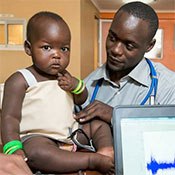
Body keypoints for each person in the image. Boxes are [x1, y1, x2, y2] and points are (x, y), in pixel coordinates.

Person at [1, 11, 114, 174]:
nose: (57, 55)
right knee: (36, 153)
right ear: (28, 48)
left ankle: (106, 150)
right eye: (47, 47)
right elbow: (9, 117)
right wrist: (13, 148)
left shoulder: (64, 76)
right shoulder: (21, 79)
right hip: (38, 137)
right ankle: (91, 160)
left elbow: (81, 99)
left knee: (99, 124)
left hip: (70, 134)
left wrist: (76, 86)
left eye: (64, 48)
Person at [74, 1, 175, 124]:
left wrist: (116, 116)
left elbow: (166, 137)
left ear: (149, 46)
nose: (115, 50)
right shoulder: (87, 85)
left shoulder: (168, 86)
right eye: (112, 38)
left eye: (129, 46)